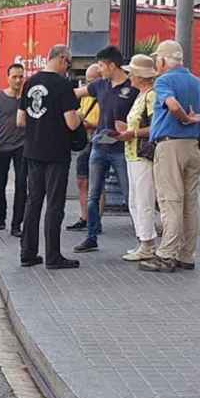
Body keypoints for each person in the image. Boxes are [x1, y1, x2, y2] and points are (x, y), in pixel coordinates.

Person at [140, 40, 200, 273]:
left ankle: (166, 254)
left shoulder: (164, 81)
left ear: (163, 60)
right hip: (192, 147)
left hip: (170, 146)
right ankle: (187, 255)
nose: (156, 63)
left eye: (158, 59)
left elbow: (172, 105)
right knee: (190, 204)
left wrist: (185, 118)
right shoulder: (197, 82)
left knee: (170, 201)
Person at [17, 44, 82, 270]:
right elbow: (71, 122)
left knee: (33, 202)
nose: (68, 68)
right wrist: (81, 115)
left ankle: (28, 253)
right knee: (54, 205)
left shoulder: (30, 82)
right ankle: (53, 256)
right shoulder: (63, 85)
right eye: (69, 64)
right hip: (56, 152)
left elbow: (20, 120)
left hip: (32, 151)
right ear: (63, 59)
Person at [73, 46, 139, 254]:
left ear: (112, 65)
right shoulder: (100, 85)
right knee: (94, 194)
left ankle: (142, 238)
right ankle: (91, 237)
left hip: (122, 148)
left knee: (130, 195)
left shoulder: (133, 87)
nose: (99, 70)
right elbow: (77, 92)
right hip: (99, 146)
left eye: (101, 65)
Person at [117, 55, 159, 261]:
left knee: (143, 199)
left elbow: (155, 127)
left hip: (142, 154)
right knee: (135, 199)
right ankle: (143, 240)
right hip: (133, 153)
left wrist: (132, 133)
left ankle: (148, 243)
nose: (129, 76)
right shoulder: (142, 95)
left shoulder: (150, 96)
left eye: (132, 73)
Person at [0, 63, 27, 237]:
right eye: (14, 77)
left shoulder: (27, 98)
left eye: (20, 77)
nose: (18, 80)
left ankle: (17, 224)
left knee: (22, 185)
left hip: (22, 147)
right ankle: (1, 216)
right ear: (8, 78)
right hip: (1, 147)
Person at [66, 63, 102, 232]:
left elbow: (107, 120)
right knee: (82, 180)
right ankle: (84, 216)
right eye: (87, 82)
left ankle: (96, 220)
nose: (88, 86)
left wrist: (88, 123)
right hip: (86, 141)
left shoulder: (105, 94)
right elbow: (81, 112)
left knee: (97, 183)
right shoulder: (86, 95)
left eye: (92, 81)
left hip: (99, 139)